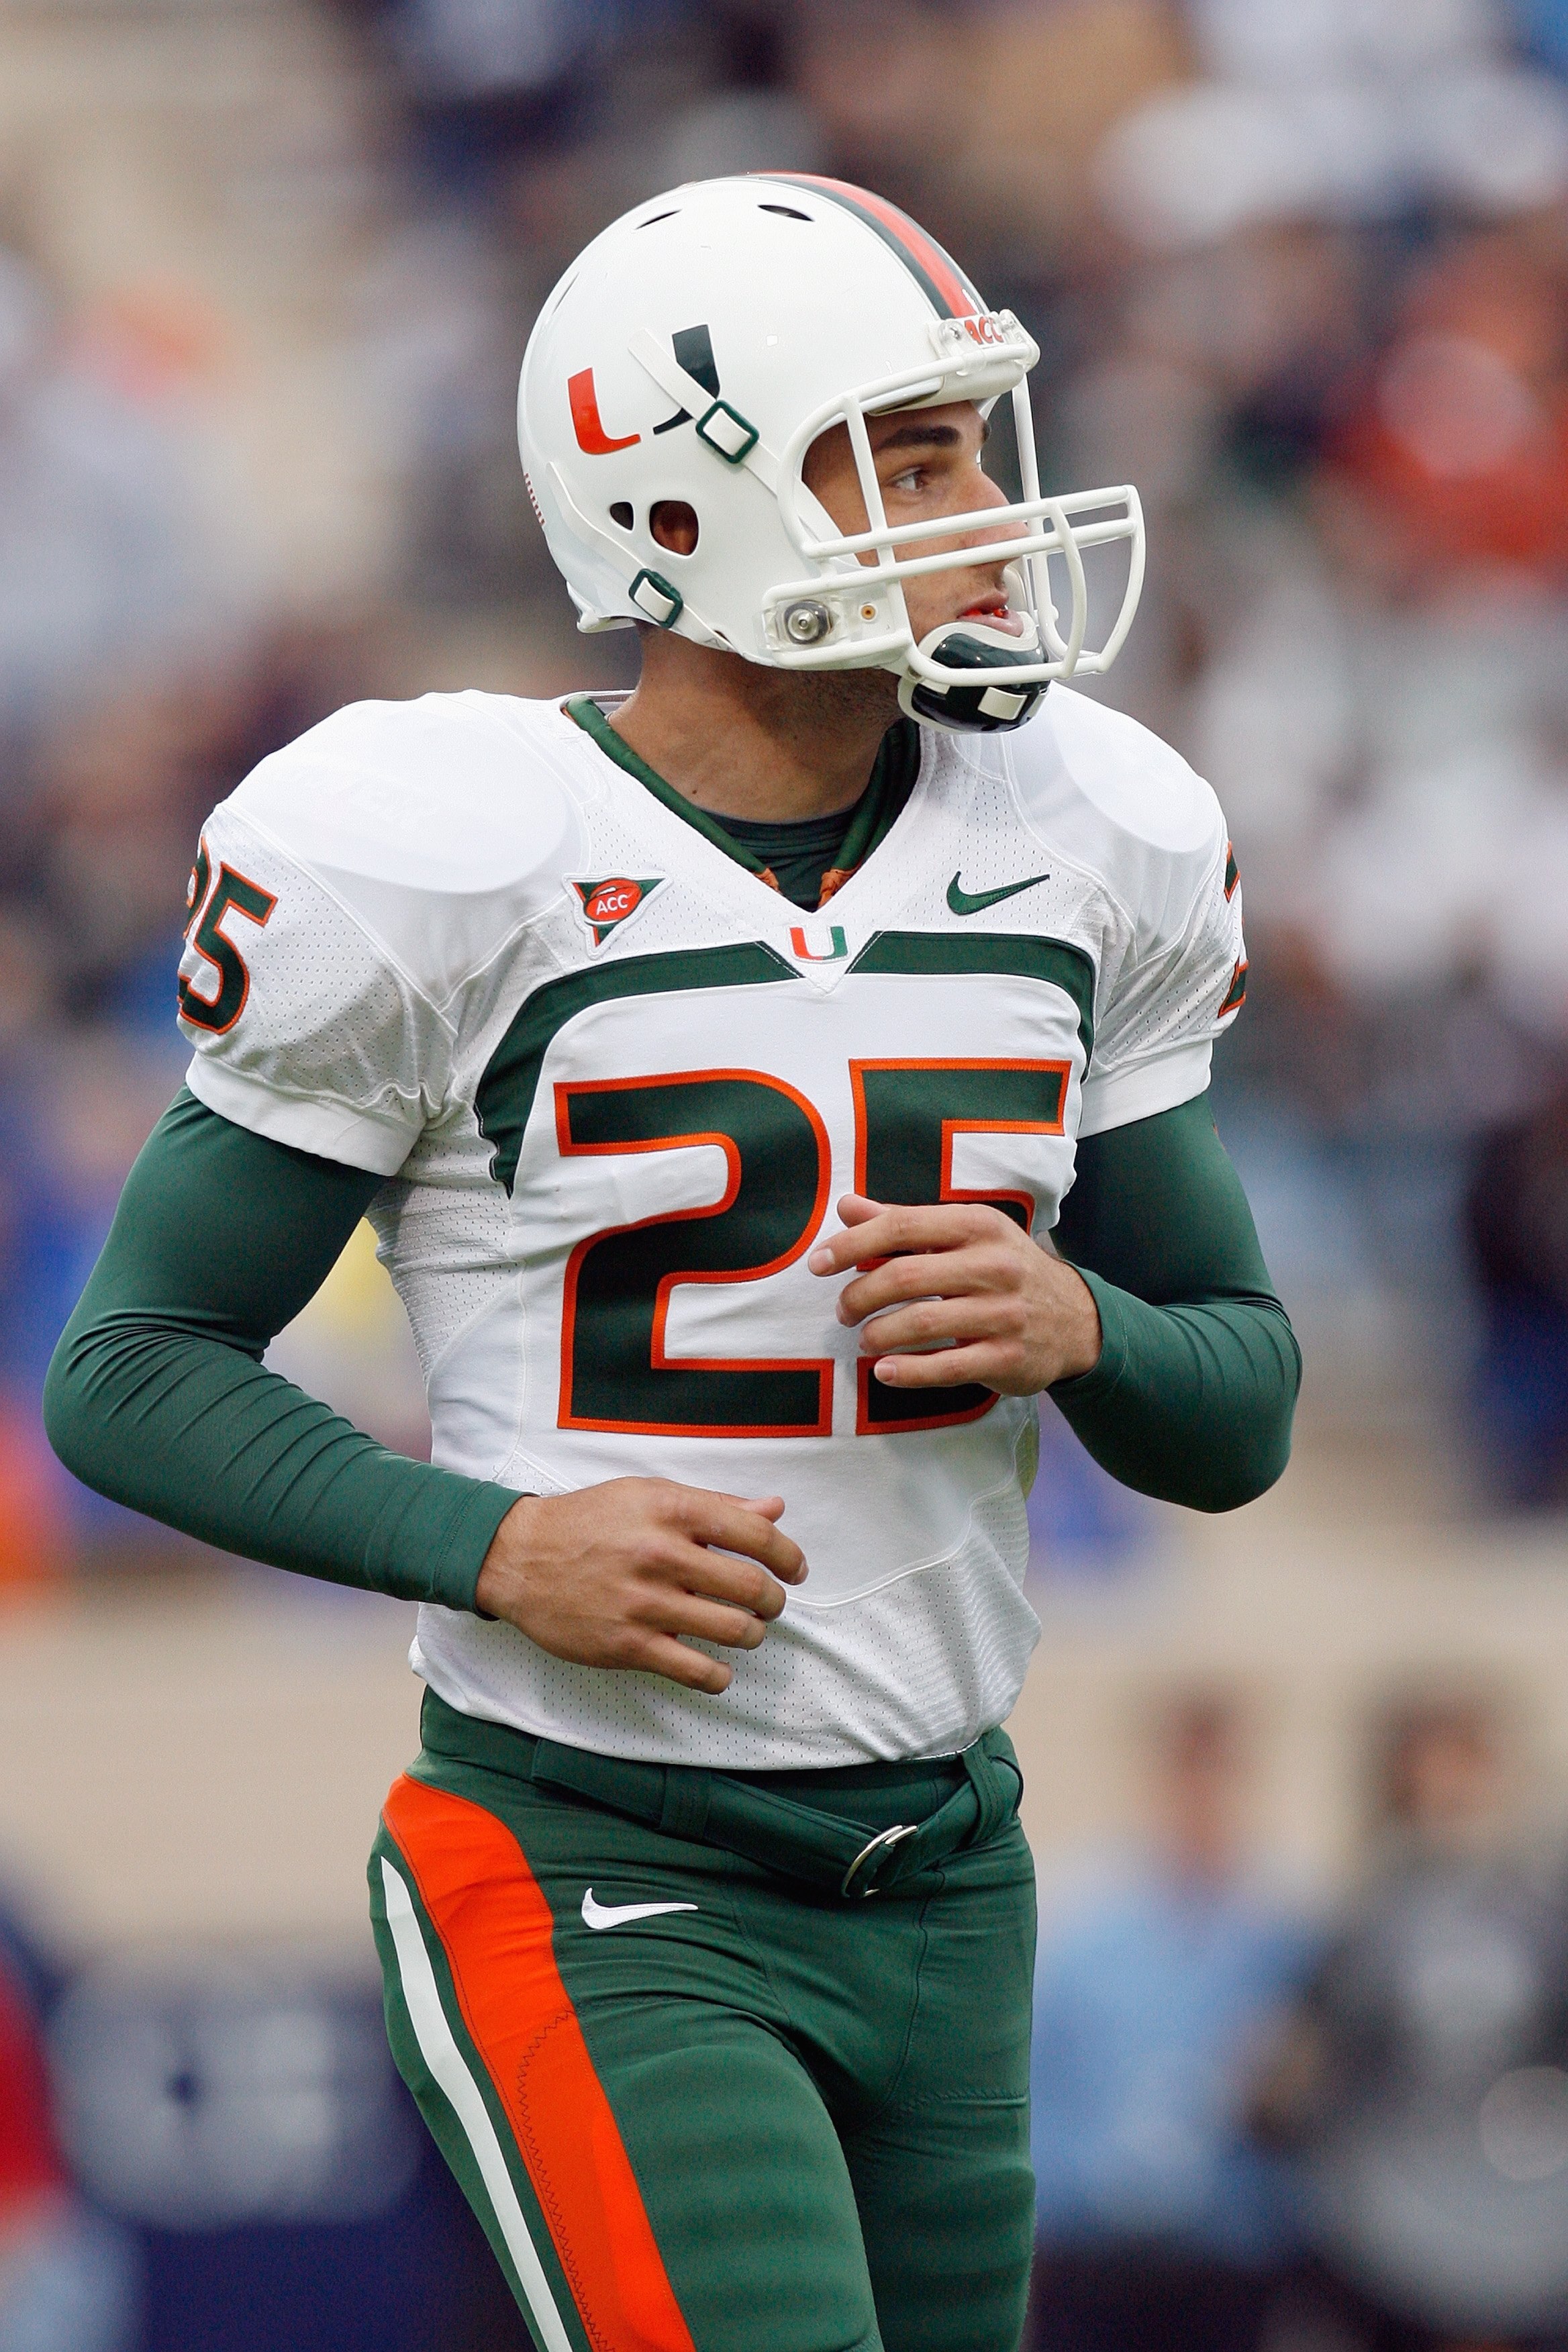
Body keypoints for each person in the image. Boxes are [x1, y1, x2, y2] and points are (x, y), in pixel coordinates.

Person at [43, 175, 1300, 2352]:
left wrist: (1085, 1323)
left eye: (971, 445)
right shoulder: (445, 848)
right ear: (688, 489)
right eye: (904, 453)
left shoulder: (1084, 830)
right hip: (595, 1862)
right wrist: (491, 1546)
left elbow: (1242, 1407)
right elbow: (131, 1369)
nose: (981, 507)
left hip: (947, 1862)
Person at [1255, 1694, 1568, 2352]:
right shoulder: (1362, 1917)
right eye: (1434, 1773)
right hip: (1391, 2250)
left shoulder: (1544, 1909)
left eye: (1470, 1767)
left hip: (1526, 2245)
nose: (1455, 1792)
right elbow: (1289, 2083)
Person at [1028, 1694, 1314, 2352]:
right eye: (1189, 1771)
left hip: (1231, 2250)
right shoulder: (1081, 1919)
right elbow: (1037, 2078)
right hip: (1091, 2253)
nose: (1203, 1795)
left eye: (1220, 1772)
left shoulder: (1286, 1926)